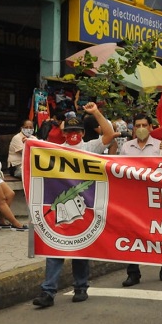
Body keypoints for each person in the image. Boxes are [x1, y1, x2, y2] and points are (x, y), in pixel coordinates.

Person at [32, 102, 116, 308]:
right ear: (64, 132)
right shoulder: (55, 151)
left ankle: (81, 287)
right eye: (70, 131)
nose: (73, 134)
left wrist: (95, 112)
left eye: (77, 130)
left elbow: (109, 133)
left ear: (82, 132)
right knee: (55, 248)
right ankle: (48, 292)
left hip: (85, 206)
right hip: (60, 206)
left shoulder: (90, 147)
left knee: (81, 249)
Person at [119, 113, 162, 287]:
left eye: (144, 125)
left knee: (158, 232)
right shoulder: (126, 147)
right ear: (134, 128)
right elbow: (118, 169)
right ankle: (133, 273)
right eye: (138, 125)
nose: (141, 128)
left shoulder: (160, 146)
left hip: (155, 197)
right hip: (133, 198)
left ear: (150, 127)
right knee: (132, 233)